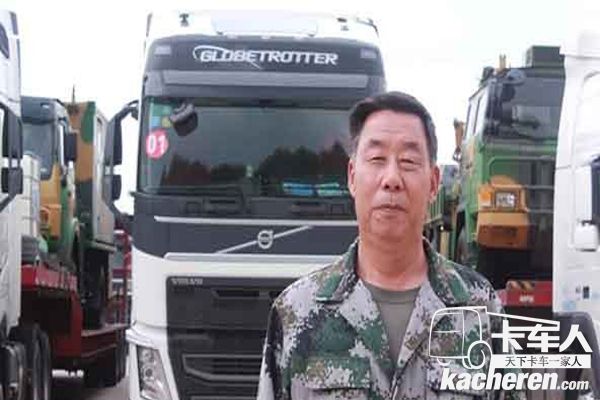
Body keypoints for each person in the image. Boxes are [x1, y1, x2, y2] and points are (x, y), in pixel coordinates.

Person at [257, 91, 522, 399]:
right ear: (352, 176)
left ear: (434, 183)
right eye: (377, 159)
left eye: (408, 161)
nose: (392, 178)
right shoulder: (296, 312)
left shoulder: (480, 308)